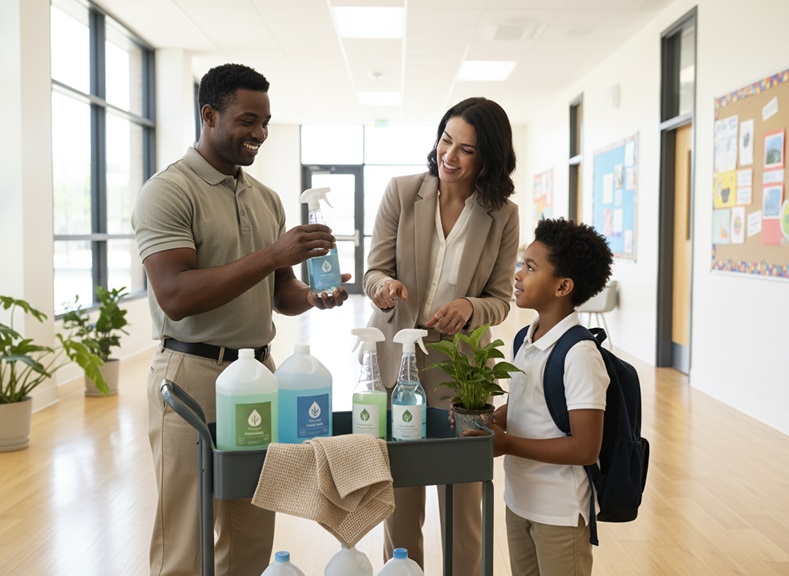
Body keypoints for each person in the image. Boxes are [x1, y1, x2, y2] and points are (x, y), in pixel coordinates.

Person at [132, 63, 350, 576]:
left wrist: (315, 297)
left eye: (266, 122)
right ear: (209, 115)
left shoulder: (266, 199)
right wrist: (273, 255)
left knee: (252, 530)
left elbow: (280, 293)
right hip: (192, 376)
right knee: (184, 538)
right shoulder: (168, 191)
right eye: (248, 120)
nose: (260, 134)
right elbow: (175, 295)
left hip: (260, 376)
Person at [363, 96, 520, 575]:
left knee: (462, 502)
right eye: (446, 140)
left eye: (466, 149)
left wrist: (472, 308)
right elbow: (373, 272)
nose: (449, 156)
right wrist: (385, 289)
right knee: (401, 497)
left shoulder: (503, 216)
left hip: (462, 374)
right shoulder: (401, 191)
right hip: (397, 364)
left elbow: (500, 298)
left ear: (488, 158)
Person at [465, 217, 613, 576]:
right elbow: (525, 406)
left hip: (559, 513)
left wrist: (509, 444)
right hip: (519, 500)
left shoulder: (579, 354)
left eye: (530, 267)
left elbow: (585, 448)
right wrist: (487, 420)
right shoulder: (524, 338)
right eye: (521, 264)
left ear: (562, 286)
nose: (517, 275)